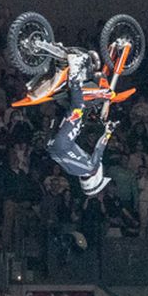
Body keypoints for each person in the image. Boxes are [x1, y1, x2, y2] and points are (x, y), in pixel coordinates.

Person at [42, 49, 119, 198]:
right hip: (51, 146)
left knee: (78, 107)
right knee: (69, 113)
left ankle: (75, 71)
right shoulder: (75, 171)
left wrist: (108, 132)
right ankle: (58, 73)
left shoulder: (91, 168)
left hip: (62, 143)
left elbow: (99, 149)